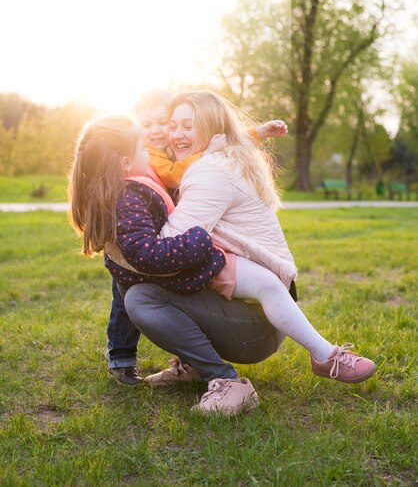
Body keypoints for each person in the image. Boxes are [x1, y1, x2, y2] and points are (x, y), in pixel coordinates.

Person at [117, 90, 376, 414]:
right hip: (262, 312)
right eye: (174, 125)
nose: (175, 134)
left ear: (212, 128)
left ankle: (235, 380)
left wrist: (126, 234)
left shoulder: (209, 170)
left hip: (253, 326)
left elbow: (169, 244)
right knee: (180, 269)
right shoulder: (229, 158)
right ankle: (193, 365)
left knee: (140, 294)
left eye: (187, 125)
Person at [105, 89, 290, 384]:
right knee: (128, 282)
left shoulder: (200, 164)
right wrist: (207, 153)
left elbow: (220, 134)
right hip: (163, 241)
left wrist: (256, 133)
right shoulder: (153, 157)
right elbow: (175, 173)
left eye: (164, 123)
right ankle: (122, 353)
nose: (157, 131)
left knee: (142, 283)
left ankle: (195, 366)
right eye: (146, 125)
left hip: (253, 311)